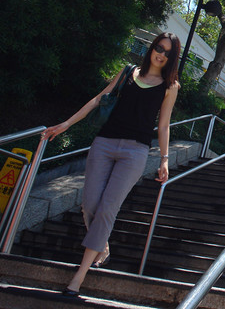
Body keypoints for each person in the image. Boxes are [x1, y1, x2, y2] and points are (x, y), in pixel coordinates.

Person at [42, 32, 181, 298]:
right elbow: (99, 99)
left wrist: (164, 159)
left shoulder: (170, 86)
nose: (161, 54)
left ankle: (78, 277)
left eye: (167, 52)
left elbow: (163, 125)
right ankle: (101, 245)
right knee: (90, 204)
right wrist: (66, 124)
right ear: (152, 47)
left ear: (171, 58)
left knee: (107, 209)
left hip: (136, 151)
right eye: (158, 48)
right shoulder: (129, 72)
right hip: (104, 144)